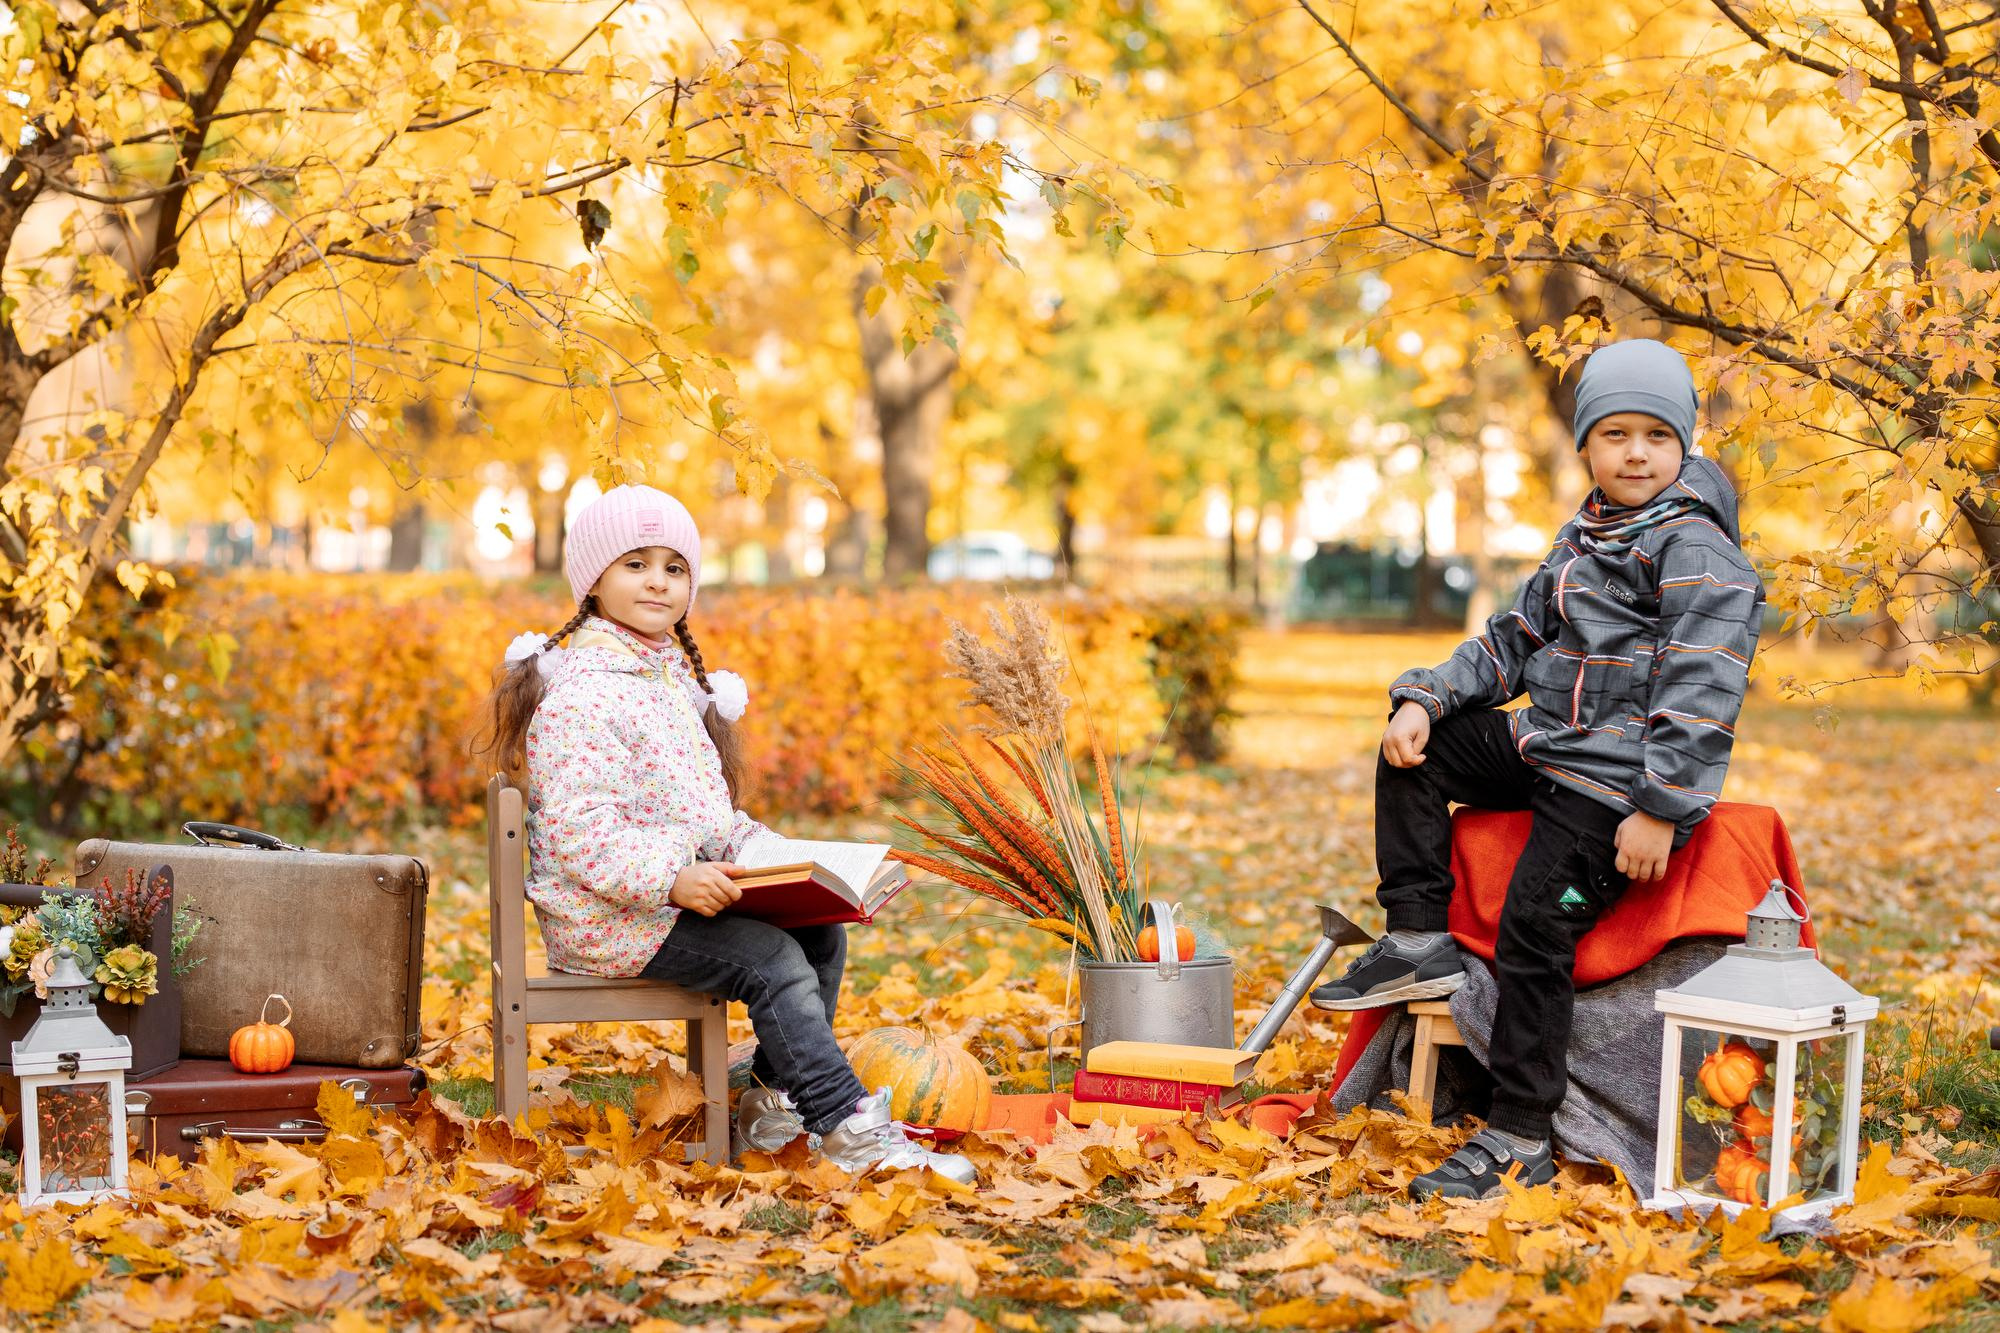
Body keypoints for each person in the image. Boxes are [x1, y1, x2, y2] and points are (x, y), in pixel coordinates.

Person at [1311, 340, 1765, 1201]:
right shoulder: (1583, 538)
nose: (1637, 453)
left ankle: (1520, 1133)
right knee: (1417, 746)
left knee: (1532, 924)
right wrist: (1423, 698)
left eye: (1658, 437)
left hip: (1612, 783)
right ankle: (1415, 935)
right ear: (1587, 446)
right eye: (1617, 434)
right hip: (1546, 746)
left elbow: (1705, 685)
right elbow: (1509, 642)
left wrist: (1661, 806)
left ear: (1686, 447)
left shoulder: (1696, 548)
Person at [477, 483, 973, 1184]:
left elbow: (703, 817)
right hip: (615, 915)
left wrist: (777, 858)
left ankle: (773, 1108)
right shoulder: (585, 692)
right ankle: (850, 1130)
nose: (658, 580)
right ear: (592, 580)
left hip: (668, 899)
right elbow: (583, 832)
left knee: (820, 934)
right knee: (771, 959)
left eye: (674, 567)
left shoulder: (664, 680)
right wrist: (670, 877)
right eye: (635, 563)